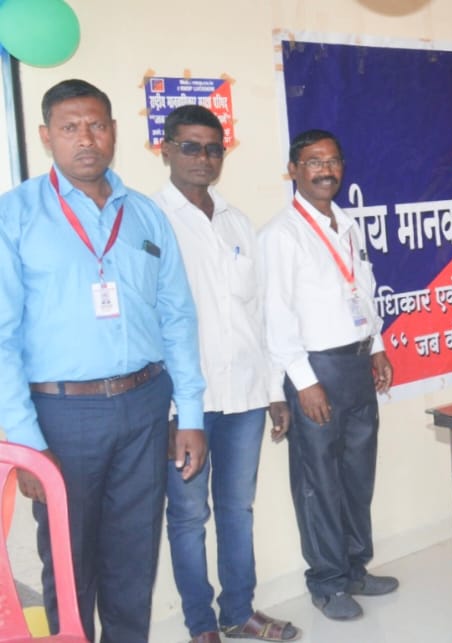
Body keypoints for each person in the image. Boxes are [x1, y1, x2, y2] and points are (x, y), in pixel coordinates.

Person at [0, 79, 206, 641]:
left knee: (134, 560)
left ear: (113, 131)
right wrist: (26, 443)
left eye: (96, 125)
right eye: (70, 127)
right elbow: (3, 338)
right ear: (46, 136)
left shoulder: (144, 215)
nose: (85, 139)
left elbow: (178, 317)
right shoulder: (14, 215)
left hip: (145, 405)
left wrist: (190, 413)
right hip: (62, 417)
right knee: (69, 565)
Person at [155, 105, 300, 642]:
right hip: (186, 405)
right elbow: (151, 323)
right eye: (190, 146)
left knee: (238, 508)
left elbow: (257, 314)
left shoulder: (237, 221)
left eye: (214, 148)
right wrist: (171, 410)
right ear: (166, 150)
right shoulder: (151, 220)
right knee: (188, 518)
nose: (204, 157)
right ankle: (201, 626)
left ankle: (239, 612)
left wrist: (273, 391)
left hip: (244, 397)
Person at [260, 129, 396, 620]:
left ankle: (356, 568)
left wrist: (376, 347)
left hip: (357, 363)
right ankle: (327, 582)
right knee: (319, 481)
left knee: (358, 475)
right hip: (316, 371)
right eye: (314, 161)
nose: (326, 170)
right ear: (293, 170)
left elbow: (363, 290)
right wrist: (304, 381)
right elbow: (276, 316)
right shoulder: (280, 234)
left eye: (333, 160)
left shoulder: (348, 224)